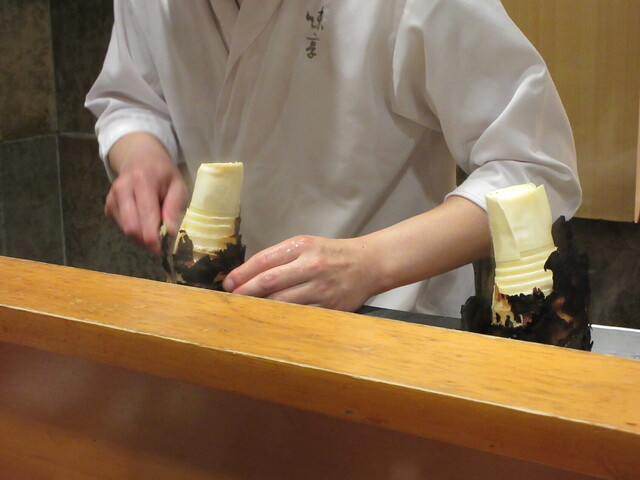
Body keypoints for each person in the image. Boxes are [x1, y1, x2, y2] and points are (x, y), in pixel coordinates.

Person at [85, 0, 581, 318]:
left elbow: (534, 168)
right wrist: (140, 153)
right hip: (222, 318)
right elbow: (129, 97)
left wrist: (371, 263)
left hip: (392, 322)